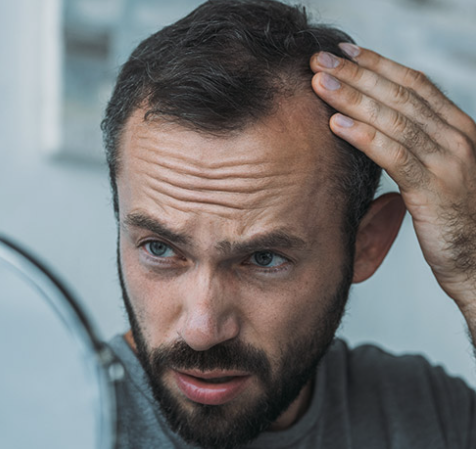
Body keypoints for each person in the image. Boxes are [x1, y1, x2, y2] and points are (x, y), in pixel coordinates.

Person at [101, 0, 476, 447]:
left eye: (264, 258)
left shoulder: (427, 416)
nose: (202, 331)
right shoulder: (47, 419)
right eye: (159, 248)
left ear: (367, 243)